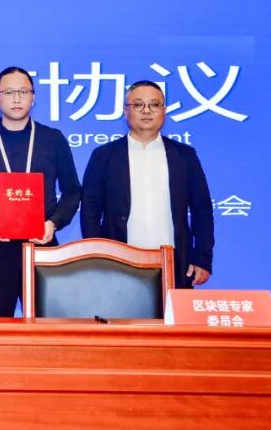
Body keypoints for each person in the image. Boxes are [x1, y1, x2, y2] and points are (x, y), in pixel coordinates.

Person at [0, 66, 81, 316]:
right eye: (9, 92)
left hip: (42, 244)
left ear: (33, 97)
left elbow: (73, 191)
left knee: (46, 328)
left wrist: (53, 223)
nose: (17, 98)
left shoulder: (53, 139)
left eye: (23, 91)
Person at [80, 80, 214, 287]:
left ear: (164, 110)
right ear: (125, 110)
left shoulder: (184, 156)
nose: (146, 110)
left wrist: (202, 258)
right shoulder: (104, 155)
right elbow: (90, 209)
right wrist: (98, 257)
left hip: (175, 263)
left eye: (154, 104)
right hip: (118, 264)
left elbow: (202, 209)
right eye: (138, 104)